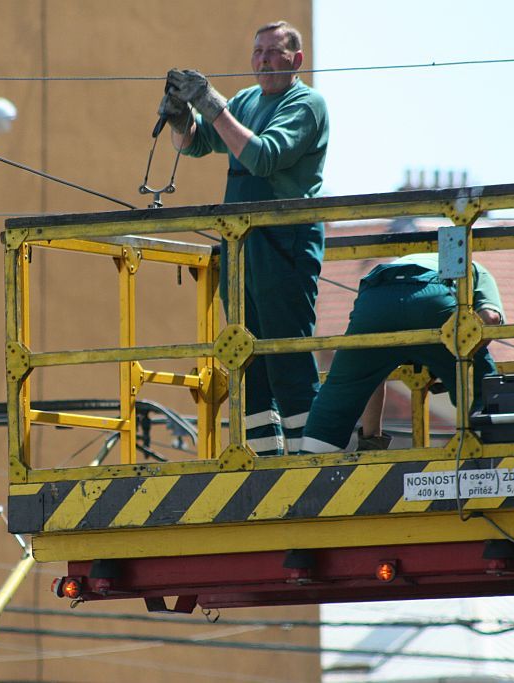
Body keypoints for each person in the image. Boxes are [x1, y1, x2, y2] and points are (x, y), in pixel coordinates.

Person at [159, 20, 329, 455]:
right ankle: (265, 459)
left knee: (287, 357)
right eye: (257, 52)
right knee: (246, 359)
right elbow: (197, 143)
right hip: (241, 247)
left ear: (297, 60)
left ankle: (307, 461)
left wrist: (211, 104)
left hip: (284, 244)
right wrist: (183, 119)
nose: (263, 60)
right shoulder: (249, 100)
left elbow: (263, 157)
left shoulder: (306, 104)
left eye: (273, 52)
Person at [299, 253, 506, 453]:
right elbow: (489, 318)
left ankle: (309, 462)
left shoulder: (405, 261)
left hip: (375, 295)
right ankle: (490, 446)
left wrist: (372, 438)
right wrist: (461, 362)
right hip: (432, 296)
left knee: (341, 391)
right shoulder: (477, 269)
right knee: (483, 388)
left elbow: (373, 377)